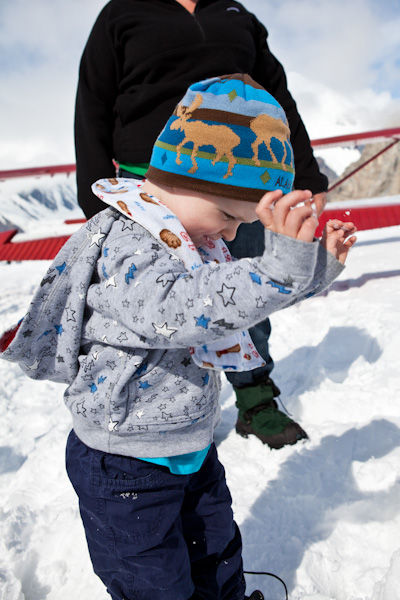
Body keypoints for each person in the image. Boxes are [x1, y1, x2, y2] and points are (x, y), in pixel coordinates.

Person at [1, 74, 356, 600]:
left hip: (190, 446)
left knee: (217, 556)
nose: (234, 234)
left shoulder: (191, 239)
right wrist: (279, 269)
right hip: (124, 464)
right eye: (229, 216)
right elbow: (183, 309)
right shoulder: (130, 242)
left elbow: (236, 302)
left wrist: (311, 268)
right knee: (156, 583)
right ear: (188, 180)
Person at [74, 0, 329, 449]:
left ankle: (254, 395)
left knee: (244, 283)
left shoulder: (235, 13)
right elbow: (93, 102)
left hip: (242, 185)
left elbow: (278, 96)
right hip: (149, 182)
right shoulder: (122, 13)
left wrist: (306, 174)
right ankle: (148, 413)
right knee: (155, 298)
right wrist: (95, 196)